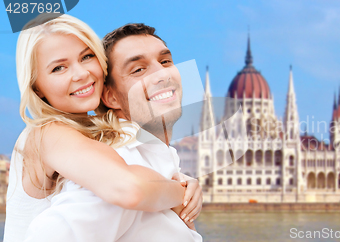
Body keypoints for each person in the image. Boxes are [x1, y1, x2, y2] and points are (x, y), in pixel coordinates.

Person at [5, 14, 201, 242]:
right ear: (36, 87)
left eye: (87, 57)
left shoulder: (96, 137)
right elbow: (129, 188)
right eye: (59, 68)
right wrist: (181, 192)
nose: (81, 74)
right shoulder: (47, 133)